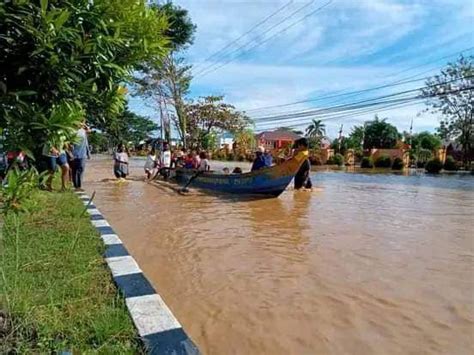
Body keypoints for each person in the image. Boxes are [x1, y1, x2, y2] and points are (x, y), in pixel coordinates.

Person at [71, 121, 90, 190]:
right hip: (74, 154)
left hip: (83, 154)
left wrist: (88, 153)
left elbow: (89, 130)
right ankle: (75, 185)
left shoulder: (83, 131)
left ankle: (79, 186)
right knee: (74, 170)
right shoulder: (72, 132)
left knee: (81, 169)